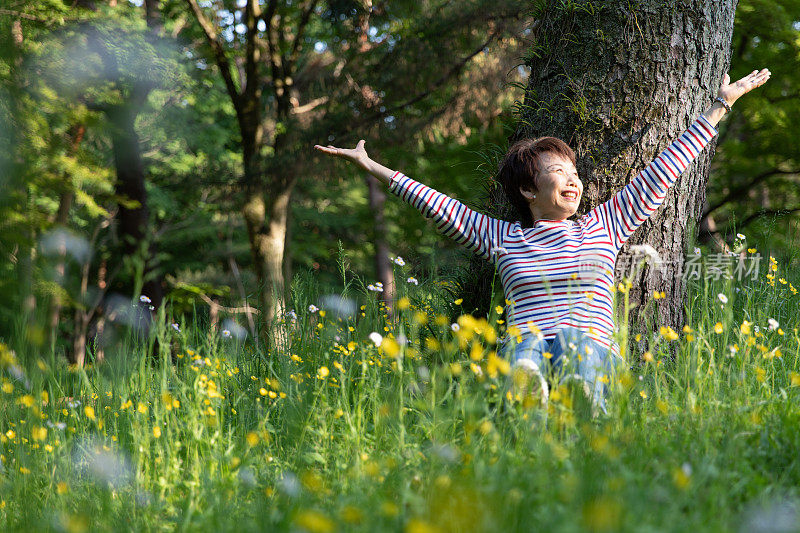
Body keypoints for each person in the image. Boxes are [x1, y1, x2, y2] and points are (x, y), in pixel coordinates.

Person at [314, 68, 771, 414]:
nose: (573, 181)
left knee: (576, 341)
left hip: (591, 351)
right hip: (526, 348)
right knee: (527, 345)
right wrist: (372, 166)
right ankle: (529, 400)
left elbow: (665, 170)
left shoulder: (604, 224)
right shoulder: (501, 236)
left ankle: (582, 399)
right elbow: (438, 204)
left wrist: (718, 106)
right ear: (529, 191)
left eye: (575, 174)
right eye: (558, 174)